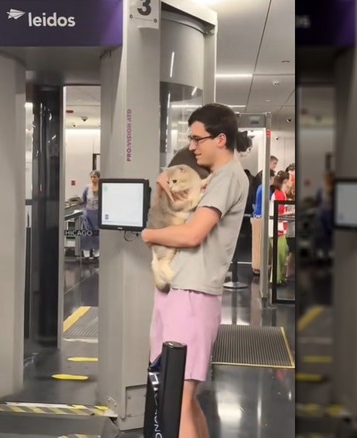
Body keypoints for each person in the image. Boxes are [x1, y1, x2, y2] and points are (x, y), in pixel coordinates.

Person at [141, 103, 250, 438]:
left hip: (191, 295)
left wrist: (149, 234)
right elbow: (185, 215)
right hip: (183, 293)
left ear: (221, 139)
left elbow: (191, 234)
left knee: (178, 401)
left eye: (197, 139)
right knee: (185, 400)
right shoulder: (217, 178)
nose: (192, 146)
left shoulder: (228, 177)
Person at [80, 170, 101, 261]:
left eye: (95, 177)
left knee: (96, 234)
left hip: (97, 214)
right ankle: (86, 254)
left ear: (98, 178)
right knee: (86, 234)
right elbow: (83, 200)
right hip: (88, 213)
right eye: (91, 177)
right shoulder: (87, 188)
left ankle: (96, 254)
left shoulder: (102, 187)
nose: (93, 179)